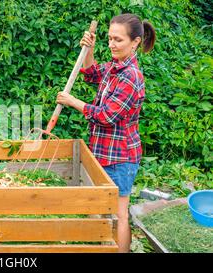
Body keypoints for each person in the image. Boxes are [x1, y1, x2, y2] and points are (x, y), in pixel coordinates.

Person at [56, 13, 156, 253]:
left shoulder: (131, 77)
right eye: (110, 39)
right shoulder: (114, 67)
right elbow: (90, 73)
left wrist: (73, 102)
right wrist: (88, 49)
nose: (112, 44)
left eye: (118, 40)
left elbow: (106, 116)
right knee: (97, 208)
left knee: (119, 214)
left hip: (121, 158)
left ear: (135, 43)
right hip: (101, 152)